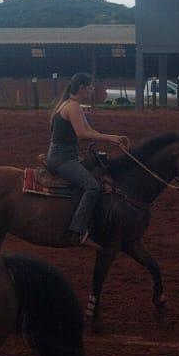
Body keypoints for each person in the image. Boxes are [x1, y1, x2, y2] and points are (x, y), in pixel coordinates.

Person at [48, 73, 128, 246]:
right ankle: (77, 230)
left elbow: (90, 130)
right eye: (90, 87)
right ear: (82, 88)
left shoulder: (68, 104)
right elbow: (82, 134)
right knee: (92, 187)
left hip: (63, 155)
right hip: (63, 159)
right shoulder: (73, 107)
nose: (92, 91)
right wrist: (108, 139)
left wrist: (113, 137)